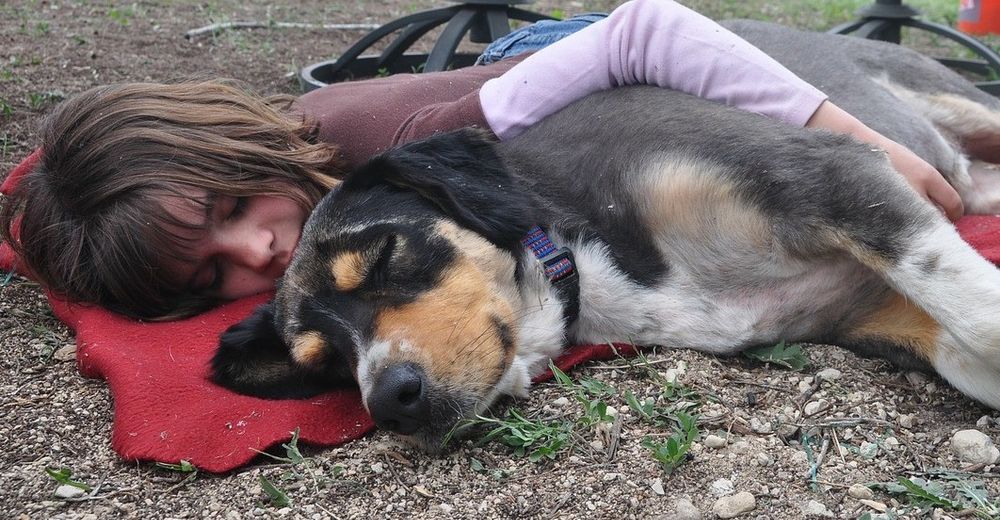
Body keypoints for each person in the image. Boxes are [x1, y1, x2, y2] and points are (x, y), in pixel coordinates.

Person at [0, 0, 961, 321]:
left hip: (572, 73)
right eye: (209, 276)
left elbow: (649, 28)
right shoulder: (289, 175)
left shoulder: (419, 154)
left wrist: (855, 138)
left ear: (237, 144)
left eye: (233, 207)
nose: (254, 255)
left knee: (935, 125)